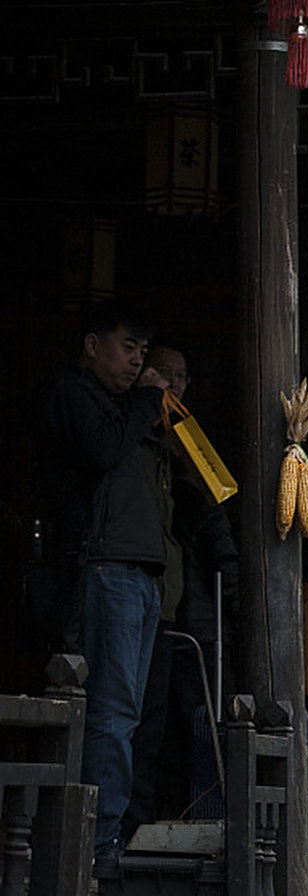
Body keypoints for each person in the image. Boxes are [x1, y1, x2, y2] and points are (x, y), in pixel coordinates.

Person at [30, 302, 172, 859]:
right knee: (109, 713)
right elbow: (102, 450)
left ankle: (106, 834)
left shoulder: (124, 407)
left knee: (128, 716)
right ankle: (95, 844)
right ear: (92, 345)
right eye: (126, 348)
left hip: (138, 571)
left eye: (142, 353)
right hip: (104, 565)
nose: (136, 362)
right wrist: (143, 401)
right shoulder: (74, 394)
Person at [124, 344, 239, 833]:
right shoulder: (135, 438)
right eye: (163, 374)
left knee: (205, 721)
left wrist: (231, 577)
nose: (173, 385)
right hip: (157, 600)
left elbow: (215, 522)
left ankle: (208, 820)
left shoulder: (189, 443)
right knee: (150, 724)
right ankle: (141, 821)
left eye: (181, 376)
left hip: (196, 609)